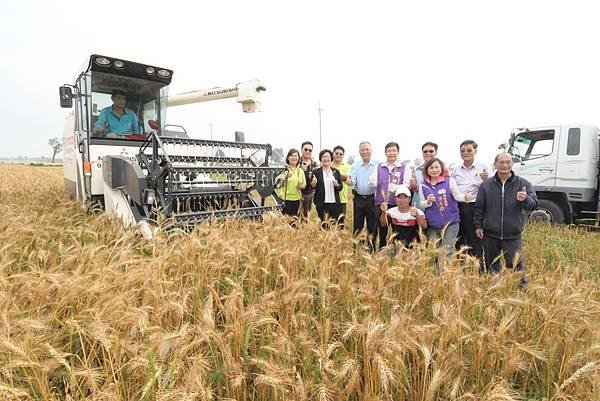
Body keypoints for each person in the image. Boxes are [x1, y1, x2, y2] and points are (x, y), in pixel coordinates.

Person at [474, 152, 538, 288]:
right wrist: (478, 226)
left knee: (516, 266)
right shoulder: (486, 185)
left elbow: (534, 205)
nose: (505, 165)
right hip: (490, 234)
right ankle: (494, 290)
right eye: (501, 162)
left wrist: (525, 199)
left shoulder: (523, 184)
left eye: (508, 162)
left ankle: (520, 292)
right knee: (492, 267)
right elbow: (479, 207)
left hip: (512, 234)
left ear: (512, 164)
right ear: (495, 164)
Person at [418, 158, 471, 260]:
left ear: (441, 168)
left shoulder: (449, 181)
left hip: (451, 222)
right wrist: (428, 202)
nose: (434, 170)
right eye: (431, 167)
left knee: (448, 250)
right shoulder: (423, 185)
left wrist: (465, 197)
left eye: (436, 167)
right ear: (427, 170)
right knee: (435, 251)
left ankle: (447, 274)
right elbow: (421, 204)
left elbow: (457, 195)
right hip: (433, 223)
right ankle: (437, 274)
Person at [369, 142, 416, 249]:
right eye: (389, 151)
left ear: (398, 152)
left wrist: (398, 188)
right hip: (381, 204)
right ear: (385, 153)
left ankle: (397, 252)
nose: (391, 153)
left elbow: (407, 184)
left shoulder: (404, 167)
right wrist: (372, 182)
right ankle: (382, 252)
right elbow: (373, 182)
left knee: (397, 230)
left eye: (394, 151)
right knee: (381, 230)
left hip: (397, 204)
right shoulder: (379, 167)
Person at [451, 140, 489, 257]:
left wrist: (485, 180)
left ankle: (476, 266)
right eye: (462, 151)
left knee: (475, 238)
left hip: (476, 207)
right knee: (460, 238)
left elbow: (492, 187)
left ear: (475, 151)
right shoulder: (456, 170)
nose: (465, 153)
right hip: (460, 207)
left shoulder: (484, 167)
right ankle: (462, 266)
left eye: (469, 150)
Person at [350, 141, 379, 250]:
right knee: (358, 225)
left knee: (372, 225)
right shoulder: (355, 165)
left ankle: (371, 249)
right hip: (359, 198)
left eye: (367, 149)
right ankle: (356, 250)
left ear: (371, 150)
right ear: (359, 152)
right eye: (363, 150)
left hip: (373, 198)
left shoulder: (378, 164)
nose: (365, 152)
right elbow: (352, 180)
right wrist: (350, 181)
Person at [380, 185, 427, 251]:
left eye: (405, 197)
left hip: (413, 247)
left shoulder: (418, 212)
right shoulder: (390, 212)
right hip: (395, 246)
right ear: (395, 199)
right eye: (399, 197)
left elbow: (424, 226)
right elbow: (383, 223)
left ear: (410, 199)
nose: (402, 200)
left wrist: (417, 216)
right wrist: (383, 212)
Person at [311, 149, 343, 226]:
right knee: (324, 225)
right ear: (321, 159)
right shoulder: (316, 172)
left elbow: (340, 187)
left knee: (334, 225)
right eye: (323, 157)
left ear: (331, 158)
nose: (326, 159)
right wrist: (313, 183)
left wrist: (337, 185)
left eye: (328, 157)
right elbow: (312, 187)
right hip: (321, 203)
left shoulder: (336, 171)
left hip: (334, 203)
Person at [275, 148, 307, 217]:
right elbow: (277, 185)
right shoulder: (283, 170)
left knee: (295, 223)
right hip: (285, 200)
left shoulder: (300, 171)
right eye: (292, 156)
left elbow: (304, 185)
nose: (294, 157)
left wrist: (301, 186)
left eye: (296, 156)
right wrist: (285, 178)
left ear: (298, 158)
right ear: (288, 158)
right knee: (285, 223)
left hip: (297, 200)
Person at [332, 145, 351, 227]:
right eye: (336, 153)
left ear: (343, 155)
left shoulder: (346, 166)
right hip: (330, 198)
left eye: (341, 154)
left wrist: (334, 173)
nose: (338, 155)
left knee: (340, 223)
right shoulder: (328, 164)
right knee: (330, 223)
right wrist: (341, 176)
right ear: (333, 154)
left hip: (342, 198)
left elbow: (347, 177)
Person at [299, 141, 318, 219]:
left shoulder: (314, 164)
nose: (308, 151)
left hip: (310, 194)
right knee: (296, 217)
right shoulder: (296, 161)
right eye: (306, 149)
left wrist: (315, 183)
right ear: (301, 149)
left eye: (310, 150)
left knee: (306, 217)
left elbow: (317, 179)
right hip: (298, 194)